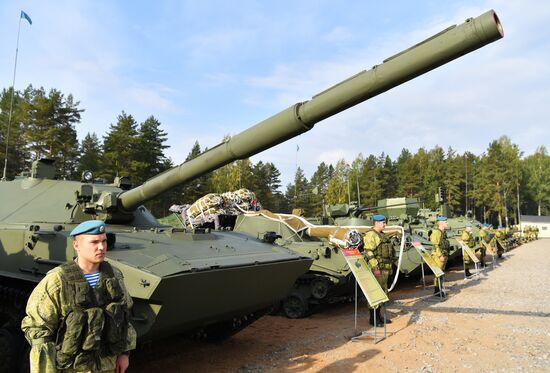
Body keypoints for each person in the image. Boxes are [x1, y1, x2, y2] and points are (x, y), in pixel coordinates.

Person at [21, 220, 136, 373]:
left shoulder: (114, 276)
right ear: (77, 245)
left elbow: (125, 316)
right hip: (71, 369)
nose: (101, 247)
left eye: (104, 241)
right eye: (94, 242)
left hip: (108, 365)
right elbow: (39, 332)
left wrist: (124, 353)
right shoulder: (58, 280)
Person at [363, 214, 394, 326]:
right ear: (376, 223)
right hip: (377, 269)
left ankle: (379, 316)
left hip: (384, 268)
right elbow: (369, 252)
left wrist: (390, 267)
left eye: (384, 222)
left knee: (382, 293)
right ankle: (373, 319)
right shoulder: (371, 235)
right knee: (375, 294)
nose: (385, 224)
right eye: (383, 222)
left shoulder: (382, 235)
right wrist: (375, 267)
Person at [430, 216, 450, 297]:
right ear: (441, 223)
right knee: (438, 273)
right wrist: (440, 255)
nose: (447, 223)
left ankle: (439, 289)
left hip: (444, 255)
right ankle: (437, 291)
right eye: (446, 222)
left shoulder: (443, 232)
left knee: (441, 273)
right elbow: (435, 245)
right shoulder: (436, 232)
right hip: (438, 256)